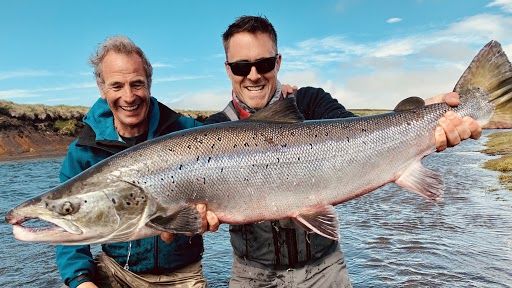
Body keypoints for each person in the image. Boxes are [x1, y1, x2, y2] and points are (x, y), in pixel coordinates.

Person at [204, 15, 482, 287]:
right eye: (242, 67)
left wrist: (427, 111)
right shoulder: (211, 131)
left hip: (324, 270)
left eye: (263, 63)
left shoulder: (311, 102)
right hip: (251, 275)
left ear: (278, 62)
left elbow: (366, 135)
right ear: (228, 69)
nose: (254, 76)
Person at [56, 36, 218, 288]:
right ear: (102, 88)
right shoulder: (83, 151)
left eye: (137, 84)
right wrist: (81, 280)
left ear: (150, 84)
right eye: (117, 86)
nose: (129, 96)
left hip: (183, 275)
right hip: (116, 271)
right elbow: (68, 230)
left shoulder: (187, 132)